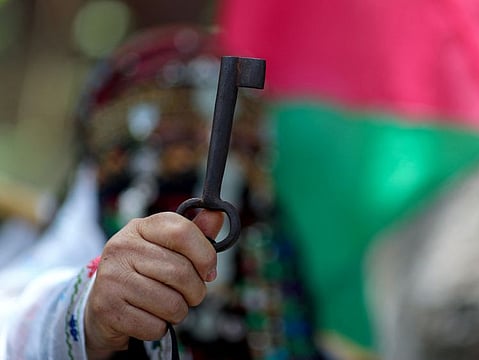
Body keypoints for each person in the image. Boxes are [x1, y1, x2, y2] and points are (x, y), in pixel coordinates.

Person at [1, 24, 323, 360]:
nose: (209, 159)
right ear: (109, 160)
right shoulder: (35, 287)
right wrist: (89, 312)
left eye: (241, 143)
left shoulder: (279, 274)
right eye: (176, 137)